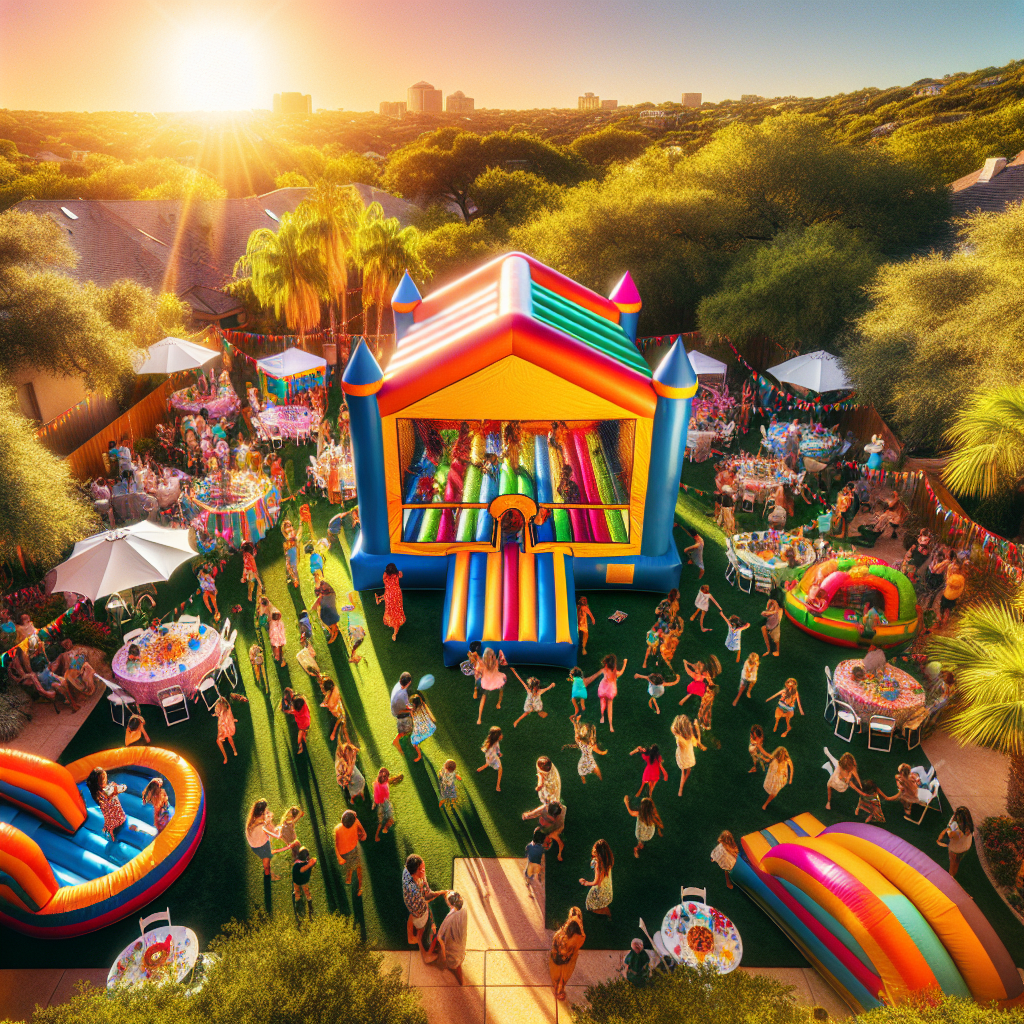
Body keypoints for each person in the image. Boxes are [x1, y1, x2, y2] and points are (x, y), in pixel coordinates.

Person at [402, 854, 448, 962]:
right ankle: (425, 955)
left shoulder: (407, 871)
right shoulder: (414, 889)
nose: (424, 870)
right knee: (421, 930)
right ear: (415, 871)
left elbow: (425, 889)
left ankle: (410, 937)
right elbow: (427, 896)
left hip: (410, 904)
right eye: (421, 869)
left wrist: (422, 877)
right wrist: (443, 892)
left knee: (412, 915)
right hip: (418, 909)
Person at [549, 907, 586, 1001]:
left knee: (559, 971)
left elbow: (555, 942)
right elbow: (581, 939)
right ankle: (560, 985)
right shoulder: (577, 937)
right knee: (568, 966)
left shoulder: (561, 934)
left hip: (557, 957)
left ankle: (558, 985)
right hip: (565, 957)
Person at [436, 891, 469, 985]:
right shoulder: (464, 910)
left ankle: (460, 979)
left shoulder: (449, 918)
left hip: (452, 949)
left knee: (455, 965)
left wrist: (444, 954)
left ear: (449, 903)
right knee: (458, 962)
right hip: (461, 943)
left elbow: (439, 937)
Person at [87, 767, 127, 841]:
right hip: (119, 820)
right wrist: (115, 789)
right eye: (104, 778)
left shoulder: (97, 793)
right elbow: (124, 787)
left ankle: (110, 833)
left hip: (110, 823)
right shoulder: (108, 791)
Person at [246, 799, 281, 879]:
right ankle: (270, 875)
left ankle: (268, 869)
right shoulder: (260, 828)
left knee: (268, 858)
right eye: (266, 812)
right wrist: (270, 823)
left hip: (259, 843)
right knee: (267, 865)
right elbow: (274, 834)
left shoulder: (254, 818)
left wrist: (268, 820)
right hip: (260, 847)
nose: (268, 812)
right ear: (261, 813)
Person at [334, 810, 367, 897]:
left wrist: (339, 858)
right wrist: (361, 835)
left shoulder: (337, 828)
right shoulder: (356, 822)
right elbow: (364, 835)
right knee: (358, 867)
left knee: (351, 865)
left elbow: (336, 845)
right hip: (352, 851)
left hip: (344, 854)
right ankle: (359, 887)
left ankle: (349, 879)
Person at [671, 714, 705, 796]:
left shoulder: (679, 739)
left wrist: (681, 725)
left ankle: (680, 789)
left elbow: (673, 729)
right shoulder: (690, 737)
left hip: (682, 759)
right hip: (689, 759)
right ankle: (683, 783)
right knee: (688, 770)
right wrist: (696, 728)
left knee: (683, 771)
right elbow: (698, 742)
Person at [592, 652, 627, 732]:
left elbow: (596, 675)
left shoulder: (604, 670)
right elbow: (621, 672)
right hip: (610, 690)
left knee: (602, 703)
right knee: (610, 706)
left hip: (603, 688)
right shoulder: (615, 673)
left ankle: (602, 717)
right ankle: (610, 725)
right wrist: (625, 663)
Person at [580, 839, 614, 917]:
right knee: (598, 903)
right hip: (608, 892)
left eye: (595, 852)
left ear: (599, 854)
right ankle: (604, 908)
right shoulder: (607, 863)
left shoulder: (598, 864)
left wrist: (585, 882)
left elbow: (596, 882)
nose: (592, 853)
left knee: (589, 905)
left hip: (600, 891)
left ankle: (605, 911)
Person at [937, 806, 974, 877]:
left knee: (954, 863)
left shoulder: (957, 830)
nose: (954, 815)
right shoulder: (969, 824)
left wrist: (947, 829)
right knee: (958, 859)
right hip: (966, 845)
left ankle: (951, 875)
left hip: (956, 849)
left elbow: (949, 835)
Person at [476, 646, 507, 724]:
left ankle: (479, 718)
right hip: (496, 680)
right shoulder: (495, 662)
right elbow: (498, 667)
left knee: (483, 697)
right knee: (501, 689)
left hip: (487, 682)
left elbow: (478, 672)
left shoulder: (482, 663)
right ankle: (499, 703)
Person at [571, 718, 607, 783]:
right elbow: (576, 732)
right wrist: (575, 723)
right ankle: (587, 785)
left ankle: (599, 784)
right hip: (586, 762)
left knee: (597, 773)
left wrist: (575, 723)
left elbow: (597, 750)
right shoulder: (583, 741)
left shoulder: (584, 741)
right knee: (594, 774)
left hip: (587, 762)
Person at [376, 563, 406, 641]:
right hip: (397, 594)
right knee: (397, 611)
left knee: (390, 610)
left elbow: (385, 581)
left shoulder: (385, 575)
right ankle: (395, 633)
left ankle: (379, 599)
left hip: (389, 594)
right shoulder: (398, 573)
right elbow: (401, 575)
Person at [373, 766, 403, 840]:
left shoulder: (376, 782)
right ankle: (385, 828)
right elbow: (387, 786)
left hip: (378, 803)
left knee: (380, 821)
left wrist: (395, 778)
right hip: (384, 803)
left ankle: (377, 836)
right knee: (391, 819)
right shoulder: (384, 786)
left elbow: (387, 781)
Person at [313, 574, 341, 644]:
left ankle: (333, 634)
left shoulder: (323, 586)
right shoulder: (319, 586)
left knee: (329, 619)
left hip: (328, 600)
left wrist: (319, 601)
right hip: (327, 601)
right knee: (327, 618)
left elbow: (323, 596)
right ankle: (332, 633)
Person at [409, 692, 437, 759]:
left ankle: (419, 756)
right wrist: (433, 720)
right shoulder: (424, 705)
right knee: (418, 738)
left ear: (414, 704)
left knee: (414, 742)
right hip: (429, 728)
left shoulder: (412, 711)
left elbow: (413, 719)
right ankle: (419, 754)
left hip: (421, 730)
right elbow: (429, 713)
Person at [391, 672, 415, 751]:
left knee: (406, 727)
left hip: (396, 708)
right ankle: (396, 741)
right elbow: (402, 710)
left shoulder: (398, 686)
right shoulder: (402, 695)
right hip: (399, 713)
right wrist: (411, 709)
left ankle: (400, 736)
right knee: (406, 729)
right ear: (409, 683)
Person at [291, 846, 317, 917]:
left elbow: (299, 870)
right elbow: (314, 860)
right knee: (306, 891)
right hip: (304, 880)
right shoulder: (307, 864)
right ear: (307, 857)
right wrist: (310, 863)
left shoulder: (296, 864)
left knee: (297, 890)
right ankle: (310, 905)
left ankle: (298, 904)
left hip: (296, 880)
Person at [940, 560, 967, 627]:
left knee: (946, 610)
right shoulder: (959, 577)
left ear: (958, 570)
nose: (953, 570)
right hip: (951, 596)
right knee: (946, 610)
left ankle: (944, 622)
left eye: (955, 569)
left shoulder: (958, 577)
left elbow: (949, 582)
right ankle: (944, 621)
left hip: (949, 596)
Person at [321, 678, 349, 743]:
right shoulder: (335, 689)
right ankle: (348, 741)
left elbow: (339, 718)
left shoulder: (332, 703)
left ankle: (348, 742)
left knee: (343, 727)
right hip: (337, 707)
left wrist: (333, 733)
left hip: (338, 711)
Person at [213, 694, 238, 764]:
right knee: (218, 741)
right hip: (222, 726)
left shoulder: (227, 711)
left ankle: (234, 750)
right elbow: (217, 714)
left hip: (227, 725)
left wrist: (231, 720)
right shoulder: (219, 708)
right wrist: (216, 714)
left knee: (229, 736)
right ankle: (225, 757)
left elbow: (228, 710)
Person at [477, 726, 503, 791]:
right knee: (500, 769)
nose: (502, 735)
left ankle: (482, 768)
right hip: (493, 758)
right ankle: (497, 786)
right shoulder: (496, 743)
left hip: (488, 757)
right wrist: (499, 754)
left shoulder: (489, 741)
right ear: (498, 737)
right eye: (501, 734)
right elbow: (497, 750)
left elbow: (486, 750)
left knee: (488, 762)